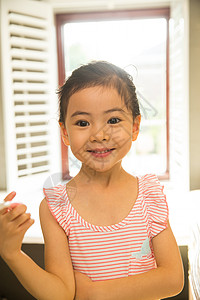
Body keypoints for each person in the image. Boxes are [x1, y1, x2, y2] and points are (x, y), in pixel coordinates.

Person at [0, 61, 184, 300]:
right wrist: (12, 252)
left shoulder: (149, 195)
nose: (99, 135)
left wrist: (96, 293)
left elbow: (173, 279)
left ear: (135, 127)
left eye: (114, 120)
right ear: (65, 132)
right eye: (83, 123)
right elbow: (60, 295)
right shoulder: (56, 207)